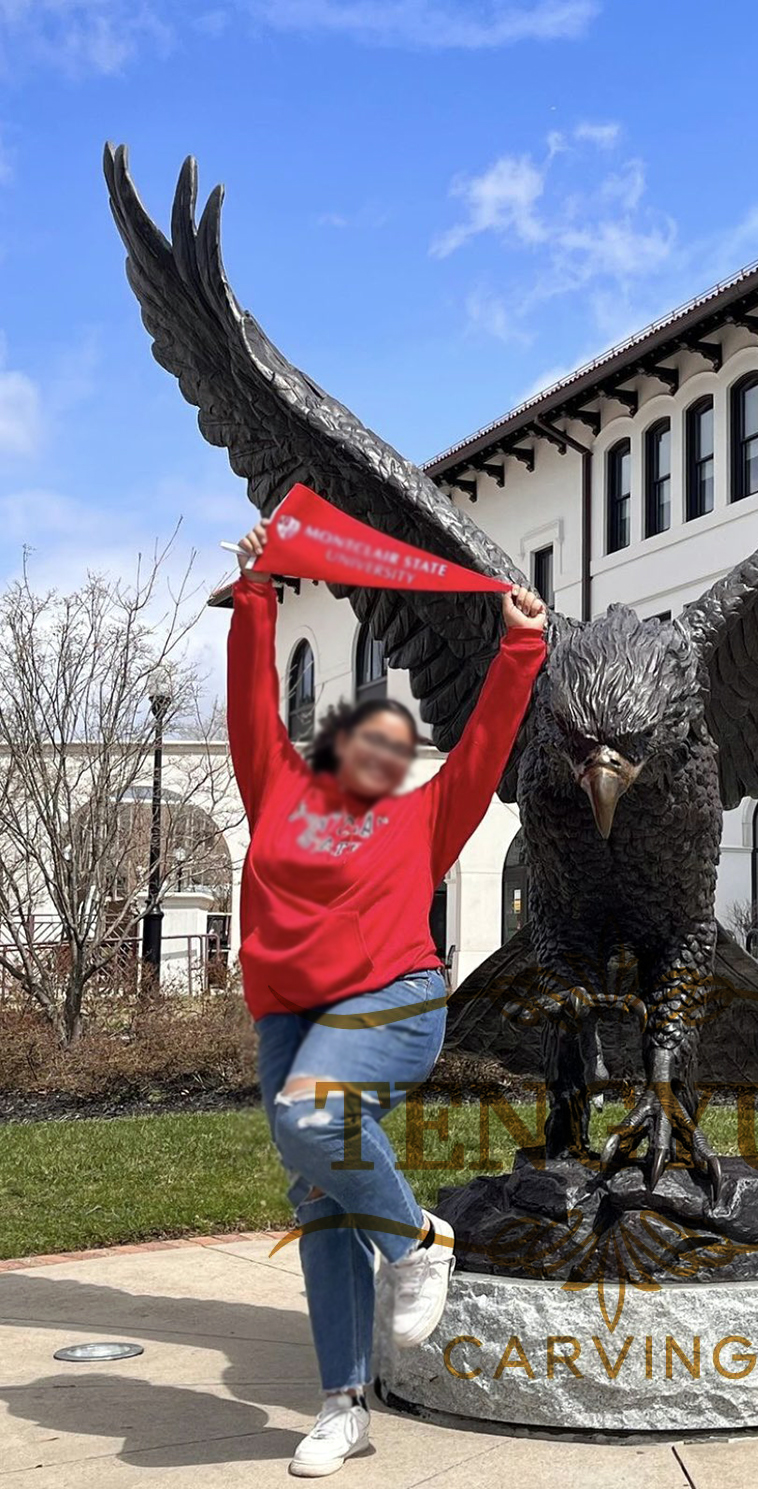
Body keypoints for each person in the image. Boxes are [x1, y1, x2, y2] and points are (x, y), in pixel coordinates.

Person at [228, 522, 546, 1478]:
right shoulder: (274, 786)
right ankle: (343, 1403)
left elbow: (489, 743)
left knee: (307, 1119)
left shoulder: (425, 816)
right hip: (290, 1016)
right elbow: (250, 700)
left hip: (395, 1002)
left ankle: (416, 1239)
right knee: (316, 1188)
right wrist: (257, 592)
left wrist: (521, 643)